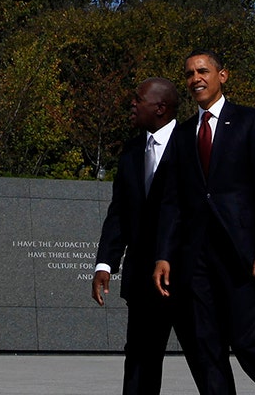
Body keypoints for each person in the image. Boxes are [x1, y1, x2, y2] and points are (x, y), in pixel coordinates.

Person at [154, 51, 255, 395]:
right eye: (188, 73)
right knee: (206, 348)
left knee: (247, 341)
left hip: (240, 256)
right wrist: (164, 254)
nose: (195, 78)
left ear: (223, 75)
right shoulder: (182, 134)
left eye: (202, 71)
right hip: (195, 260)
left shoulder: (251, 121)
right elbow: (173, 201)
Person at [93, 78, 183, 395]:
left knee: (208, 361)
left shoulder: (191, 144)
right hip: (143, 281)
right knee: (140, 362)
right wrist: (105, 263)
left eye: (138, 98)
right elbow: (119, 212)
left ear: (160, 107)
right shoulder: (131, 151)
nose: (132, 103)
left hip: (188, 278)